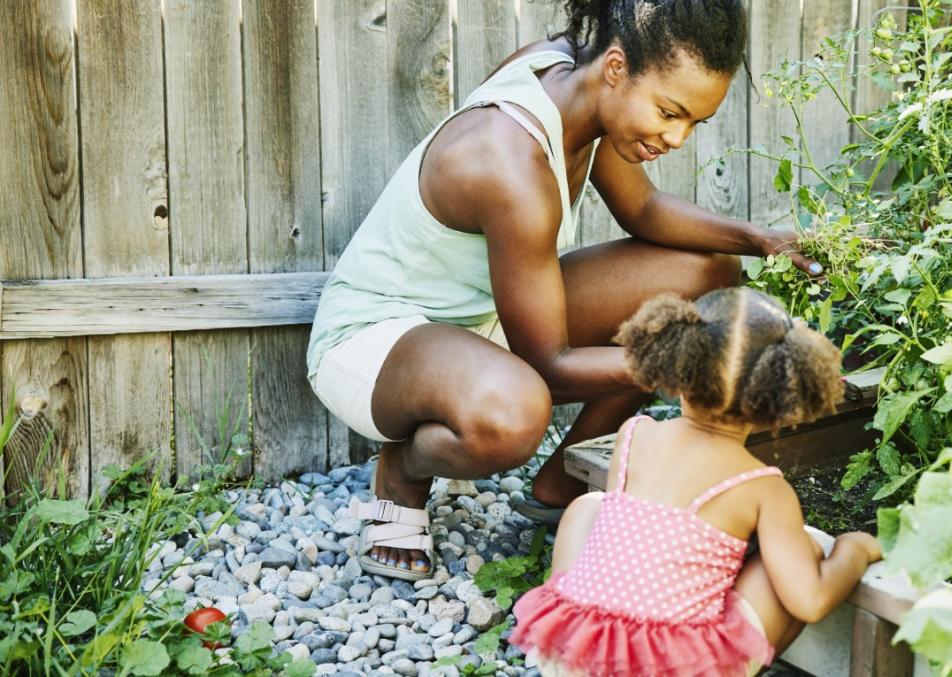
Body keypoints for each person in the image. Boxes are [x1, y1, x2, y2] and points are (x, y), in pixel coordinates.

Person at [307, 0, 826, 581]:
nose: (678, 137)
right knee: (514, 411)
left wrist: (761, 240)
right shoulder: (509, 163)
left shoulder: (571, 76)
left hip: (485, 315)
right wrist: (692, 365)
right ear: (615, 67)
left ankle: (559, 485)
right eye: (669, 112)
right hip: (375, 338)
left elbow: (645, 208)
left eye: (694, 122)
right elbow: (548, 366)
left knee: (704, 274)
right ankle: (402, 474)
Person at [509, 288, 883, 676]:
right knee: (800, 549)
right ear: (782, 393)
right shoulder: (761, 486)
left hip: (576, 659)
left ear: (676, 362)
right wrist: (854, 549)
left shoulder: (634, 434)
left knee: (590, 505)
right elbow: (810, 600)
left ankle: (568, 621)